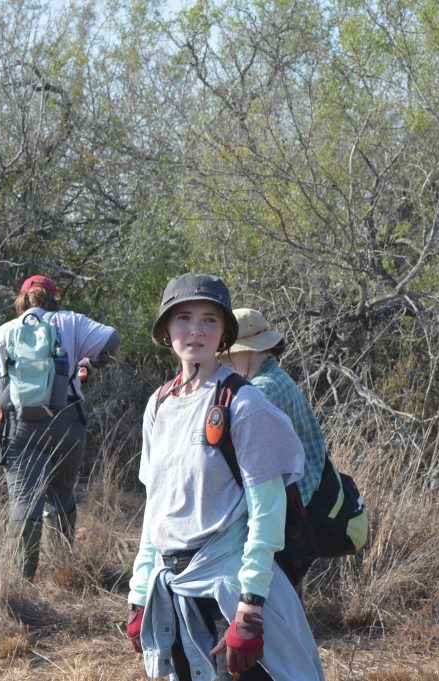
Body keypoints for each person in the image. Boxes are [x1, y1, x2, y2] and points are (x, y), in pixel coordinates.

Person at [126, 273, 325, 681]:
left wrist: (249, 611)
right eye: (184, 318)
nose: (196, 330)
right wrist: (140, 592)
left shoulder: (244, 404)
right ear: (166, 330)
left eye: (209, 320)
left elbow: (267, 514)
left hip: (229, 593)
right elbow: (157, 509)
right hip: (173, 592)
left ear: (224, 334)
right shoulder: (158, 404)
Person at [0, 274, 120, 580]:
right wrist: (88, 367)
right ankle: (62, 572)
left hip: (20, 425)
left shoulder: (6, 331)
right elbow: (112, 339)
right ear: (53, 297)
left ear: (22, 299)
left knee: (23, 497)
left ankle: (19, 581)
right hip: (67, 420)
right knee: (62, 493)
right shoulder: (70, 321)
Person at [223, 308, 328, 593]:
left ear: (248, 351)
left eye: (227, 354)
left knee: (273, 594)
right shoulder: (271, 378)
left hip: (290, 506)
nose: (223, 362)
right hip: (291, 501)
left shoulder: (263, 389)